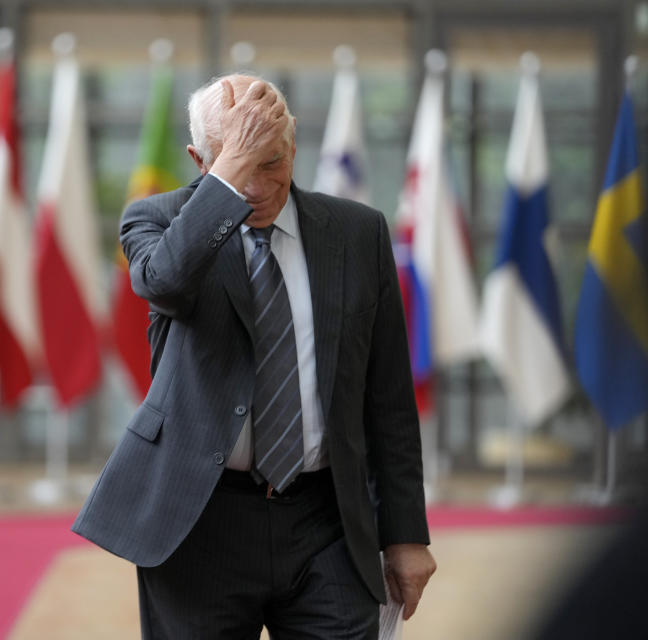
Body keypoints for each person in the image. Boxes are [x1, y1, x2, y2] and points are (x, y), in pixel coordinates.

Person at [73, 73, 436, 639]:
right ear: (201, 161)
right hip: (199, 520)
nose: (261, 187)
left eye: (272, 161)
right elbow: (165, 281)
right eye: (241, 166)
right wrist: (231, 173)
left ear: (294, 145)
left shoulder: (358, 233)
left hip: (328, 521)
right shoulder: (157, 221)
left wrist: (406, 534)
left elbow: (387, 395)